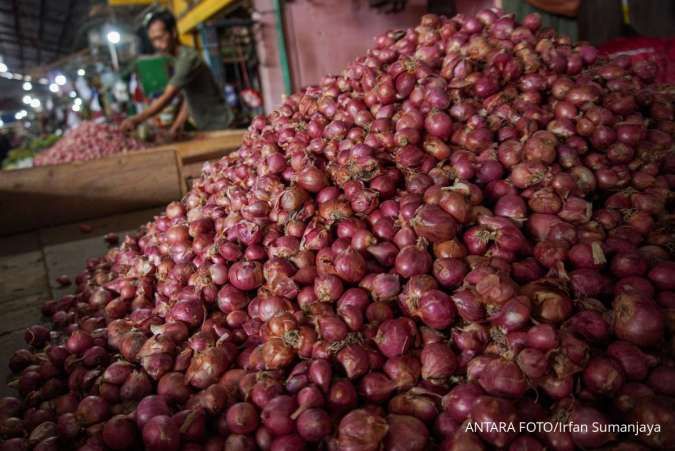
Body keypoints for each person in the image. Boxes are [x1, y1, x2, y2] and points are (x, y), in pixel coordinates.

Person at [121, 9, 229, 135]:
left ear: (173, 33)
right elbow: (189, 97)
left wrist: (136, 119)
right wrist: (177, 124)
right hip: (206, 125)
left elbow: (168, 96)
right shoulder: (176, 60)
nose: (157, 44)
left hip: (219, 125)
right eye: (153, 40)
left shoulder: (187, 58)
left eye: (160, 37)